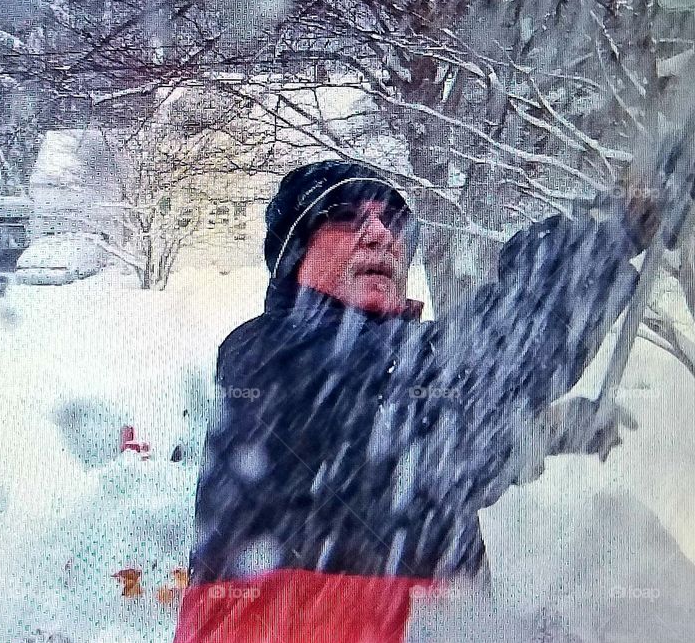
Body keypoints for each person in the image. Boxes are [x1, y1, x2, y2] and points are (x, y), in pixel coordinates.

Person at [173, 159, 660, 643]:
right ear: (293, 256)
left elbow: (433, 460)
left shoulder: (386, 386)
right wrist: (611, 235)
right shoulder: (271, 351)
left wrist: (535, 433)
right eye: (346, 215)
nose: (380, 234)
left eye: (393, 219)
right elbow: (473, 368)